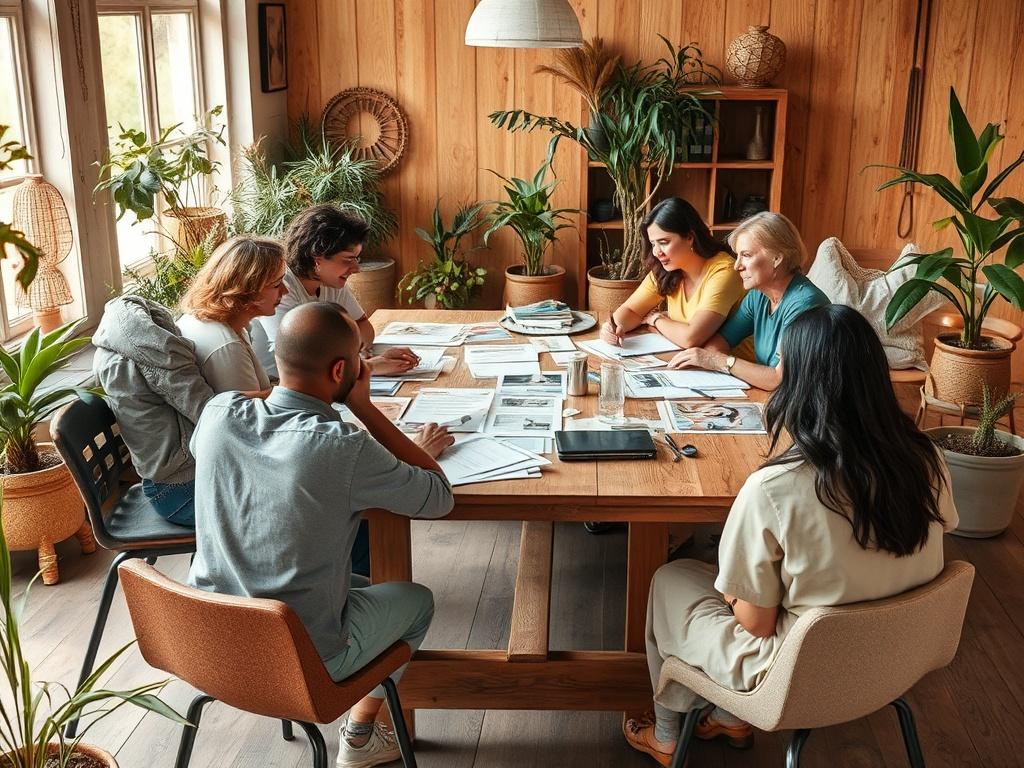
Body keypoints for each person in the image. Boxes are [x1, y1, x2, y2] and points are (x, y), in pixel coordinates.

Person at [624, 305, 959, 766]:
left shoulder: (776, 487)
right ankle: (725, 716)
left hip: (798, 673)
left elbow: (755, 625)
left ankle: (667, 732)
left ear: (799, 383)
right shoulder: (928, 460)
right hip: (898, 658)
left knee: (672, 578)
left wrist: (733, 593)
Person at [189, 301, 455, 768]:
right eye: (359, 359)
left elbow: (263, 399)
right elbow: (437, 496)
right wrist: (365, 407)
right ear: (341, 370)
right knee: (416, 600)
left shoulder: (218, 413)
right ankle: (359, 734)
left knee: (360, 586)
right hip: (300, 657)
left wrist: (333, 375)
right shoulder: (342, 447)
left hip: (208, 640)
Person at [93, 295, 225, 527]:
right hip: (180, 490)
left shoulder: (113, 348)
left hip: (167, 482)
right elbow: (211, 416)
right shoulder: (159, 356)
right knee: (281, 508)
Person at [253, 204, 419, 380]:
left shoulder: (330, 282)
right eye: (348, 260)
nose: (356, 269)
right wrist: (369, 366)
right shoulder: (280, 287)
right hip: (277, 385)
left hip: (321, 380)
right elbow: (300, 359)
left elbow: (363, 326)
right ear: (317, 258)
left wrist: (363, 357)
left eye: (357, 259)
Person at [666, 212, 830, 391]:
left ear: (777, 258)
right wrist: (713, 359)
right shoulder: (758, 296)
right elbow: (717, 344)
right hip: (776, 399)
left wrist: (720, 361)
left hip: (809, 408)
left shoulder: (805, 304)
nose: (737, 266)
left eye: (746, 255)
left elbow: (778, 379)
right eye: (737, 256)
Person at [599, 197, 745, 351]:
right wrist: (613, 327)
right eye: (653, 244)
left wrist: (656, 319)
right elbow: (630, 311)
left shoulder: (724, 271)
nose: (656, 252)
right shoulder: (667, 270)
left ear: (690, 237)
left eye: (663, 242)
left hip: (731, 368)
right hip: (687, 361)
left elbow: (691, 338)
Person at [177, 236, 287, 394]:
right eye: (277, 284)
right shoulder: (227, 346)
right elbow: (246, 414)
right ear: (245, 289)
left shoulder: (210, 320)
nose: (285, 291)